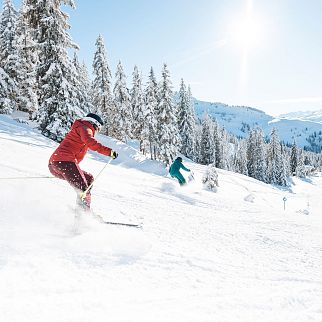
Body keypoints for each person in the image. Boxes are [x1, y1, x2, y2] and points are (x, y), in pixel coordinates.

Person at [48, 113, 118, 211]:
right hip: (64, 162)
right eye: (98, 129)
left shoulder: (81, 128)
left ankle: (81, 211)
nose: (97, 132)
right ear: (95, 124)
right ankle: (83, 216)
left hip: (57, 164)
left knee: (88, 179)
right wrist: (109, 152)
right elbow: (91, 142)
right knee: (83, 188)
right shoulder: (85, 128)